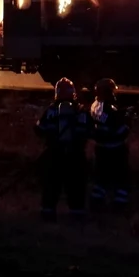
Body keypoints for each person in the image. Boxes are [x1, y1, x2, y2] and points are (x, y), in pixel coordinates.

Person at [35, 77, 89, 222]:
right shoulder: (81, 111)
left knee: (51, 187)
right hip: (76, 156)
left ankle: (47, 215)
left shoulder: (51, 111)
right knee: (76, 188)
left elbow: (39, 129)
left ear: (57, 93)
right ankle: (76, 218)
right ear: (73, 93)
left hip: (54, 155)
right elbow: (91, 131)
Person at [89, 78, 132, 210]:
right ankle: (120, 204)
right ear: (108, 92)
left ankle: (97, 202)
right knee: (121, 177)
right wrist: (128, 122)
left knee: (100, 178)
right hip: (116, 150)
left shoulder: (95, 106)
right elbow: (121, 131)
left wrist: (121, 114)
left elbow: (107, 121)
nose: (114, 94)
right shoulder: (111, 112)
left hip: (101, 149)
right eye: (112, 92)